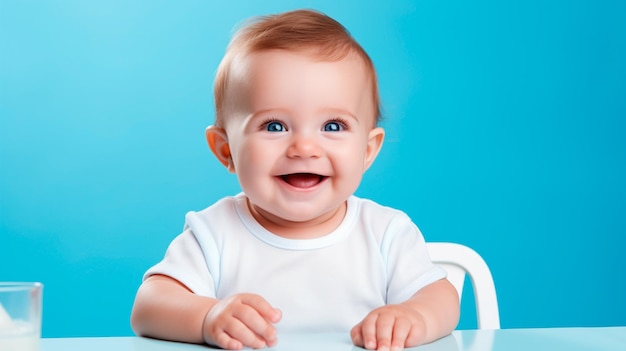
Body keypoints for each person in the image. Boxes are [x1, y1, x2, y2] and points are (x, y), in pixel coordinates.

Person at [130, 9, 459, 351]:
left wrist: (413, 316)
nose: (304, 147)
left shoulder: (385, 233)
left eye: (333, 126)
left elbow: (442, 296)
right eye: (274, 126)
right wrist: (207, 317)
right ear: (226, 150)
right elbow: (149, 306)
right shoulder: (214, 233)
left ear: (367, 150)